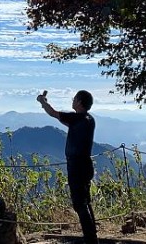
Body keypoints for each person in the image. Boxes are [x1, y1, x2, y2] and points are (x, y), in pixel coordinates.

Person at [37, 89, 98, 244]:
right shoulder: (89, 119)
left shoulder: (77, 118)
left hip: (76, 167)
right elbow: (62, 119)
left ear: (78, 102)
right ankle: (92, 235)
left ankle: (90, 239)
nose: (72, 100)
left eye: (74, 98)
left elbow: (53, 113)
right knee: (85, 202)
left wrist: (42, 102)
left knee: (79, 204)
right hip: (86, 166)